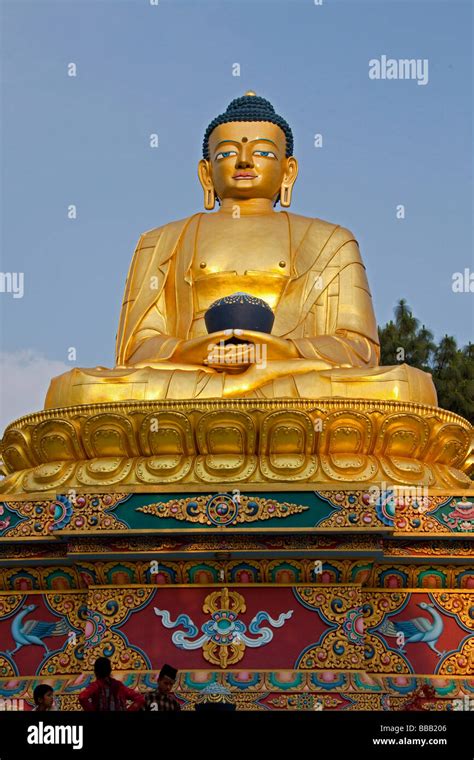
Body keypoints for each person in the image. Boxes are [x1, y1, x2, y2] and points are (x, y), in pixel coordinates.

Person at [78, 656, 145, 711]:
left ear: (96, 672)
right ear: (110, 670)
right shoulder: (119, 686)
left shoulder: (96, 686)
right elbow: (140, 698)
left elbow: (82, 697)